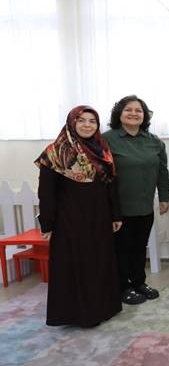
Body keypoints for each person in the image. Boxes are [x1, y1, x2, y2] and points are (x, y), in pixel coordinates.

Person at [35, 105, 122, 327]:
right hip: (70, 220)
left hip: (100, 217)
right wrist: (47, 224)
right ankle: (80, 315)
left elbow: (111, 185)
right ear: (71, 123)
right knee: (77, 265)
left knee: (99, 262)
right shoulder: (55, 152)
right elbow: (46, 193)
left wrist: (115, 215)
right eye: (81, 120)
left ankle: (104, 308)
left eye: (92, 121)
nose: (87, 125)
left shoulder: (102, 150)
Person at [104, 95, 169, 305]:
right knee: (122, 249)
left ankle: (139, 282)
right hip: (118, 209)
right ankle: (123, 286)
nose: (133, 113)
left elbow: (162, 171)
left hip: (145, 206)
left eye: (138, 110)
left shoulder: (154, 142)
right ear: (119, 114)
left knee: (140, 247)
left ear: (145, 116)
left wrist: (164, 197)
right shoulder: (106, 140)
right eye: (128, 110)